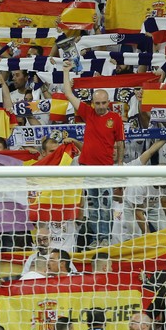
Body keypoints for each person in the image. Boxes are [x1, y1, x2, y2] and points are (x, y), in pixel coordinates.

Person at [60, 60, 124, 247]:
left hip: (106, 168)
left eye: (104, 103)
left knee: (105, 205)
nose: (101, 106)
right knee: (93, 206)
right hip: (87, 166)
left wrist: (119, 164)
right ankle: (96, 239)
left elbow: (120, 142)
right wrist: (66, 72)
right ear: (93, 103)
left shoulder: (115, 118)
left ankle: (105, 238)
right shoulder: (88, 113)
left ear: (109, 102)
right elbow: (67, 93)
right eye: (97, 103)